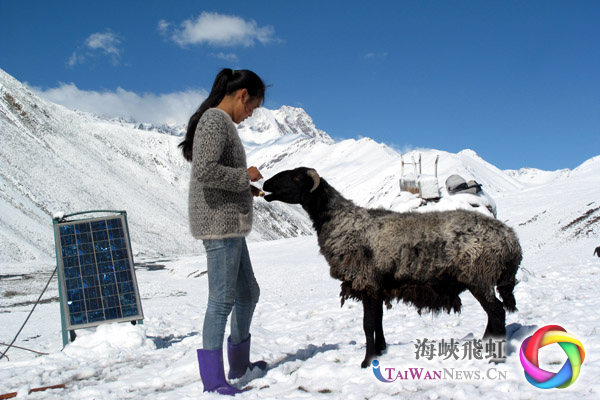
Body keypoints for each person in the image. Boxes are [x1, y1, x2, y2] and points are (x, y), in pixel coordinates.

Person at [179, 68, 267, 395]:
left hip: (229, 223)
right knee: (222, 300)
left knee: (248, 293)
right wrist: (245, 177)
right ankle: (214, 381)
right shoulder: (216, 121)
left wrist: (249, 190)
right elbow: (205, 171)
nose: (250, 114)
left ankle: (240, 365)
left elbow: (216, 173)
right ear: (243, 94)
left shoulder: (218, 122)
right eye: (252, 107)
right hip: (219, 225)